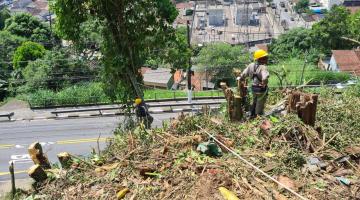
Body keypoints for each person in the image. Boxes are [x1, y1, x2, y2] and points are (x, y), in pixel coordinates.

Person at [237, 49, 270, 118]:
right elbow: (264, 78)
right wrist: (264, 84)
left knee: (254, 101)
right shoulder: (263, 67)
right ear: (261, 59)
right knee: (260, 103)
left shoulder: (251, 65)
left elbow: (243, 75)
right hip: (261, 89)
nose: (267, 59)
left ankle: (252, 114)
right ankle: (258, 116)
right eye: (265, 58)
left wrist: (239, 78)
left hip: (254, 87)